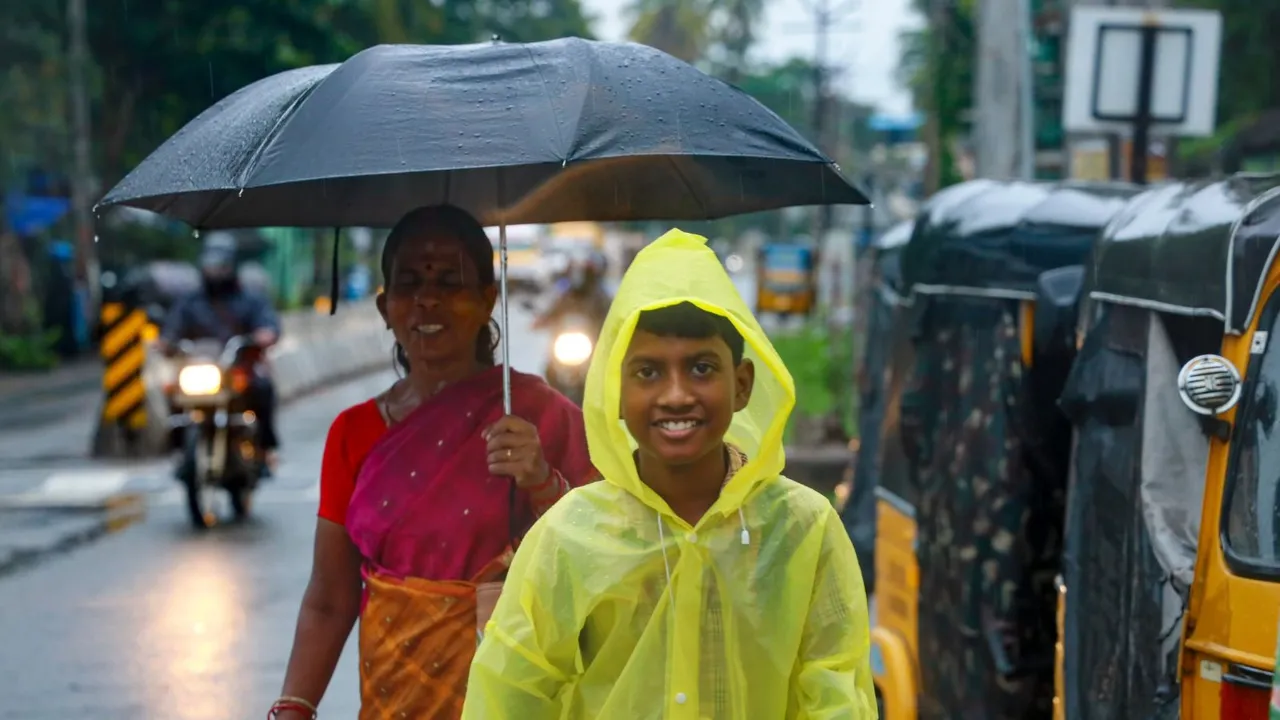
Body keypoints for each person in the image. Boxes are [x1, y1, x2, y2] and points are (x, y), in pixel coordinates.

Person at [462, 229, 876, 719]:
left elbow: (836, 691)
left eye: (701, 369)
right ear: (614, 392)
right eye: (648, 372)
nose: (676, 395)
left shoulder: (803, 530)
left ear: (742, 385)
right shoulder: (569, 536)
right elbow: (510, 692)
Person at [269, 205, 597, 720]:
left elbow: (608, 556)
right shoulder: (353, 433)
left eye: (450, 281)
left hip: (514, 697)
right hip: (392, 698)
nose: (428, 298)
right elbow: (331, 598)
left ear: (488, 299)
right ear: (385, 307)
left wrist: (541, 482)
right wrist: (294, 707)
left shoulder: (538, 415)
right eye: (410, 283)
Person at [158, 241, 282, 463]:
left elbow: (268, 325)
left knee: (263, 387)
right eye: (210, 266)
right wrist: (166, 342)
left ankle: (265, 446)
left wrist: (263, 335)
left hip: (237, 368)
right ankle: (178, 445)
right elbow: (172, 329)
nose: (215, 272)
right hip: (199, 368)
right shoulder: (190, 301)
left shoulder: (250, 299)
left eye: (220, 266)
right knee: (171, 389)